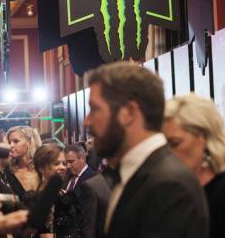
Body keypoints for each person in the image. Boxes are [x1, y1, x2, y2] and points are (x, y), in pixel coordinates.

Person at [83, 61, 209, 238]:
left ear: (129, 112)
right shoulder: (138, 174)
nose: (87, 121)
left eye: (95, 109)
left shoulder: (169, 184)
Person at [164, 94, 225, 237]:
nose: (168, 153)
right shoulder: (168, 191)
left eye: (175, 143)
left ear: (203, 139)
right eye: (165, 145)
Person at [3, 126, 42, 200]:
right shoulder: (6, 172)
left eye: (16, 141)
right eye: (9, 142)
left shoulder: (43, 168)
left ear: (30, 142)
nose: (11, 146)